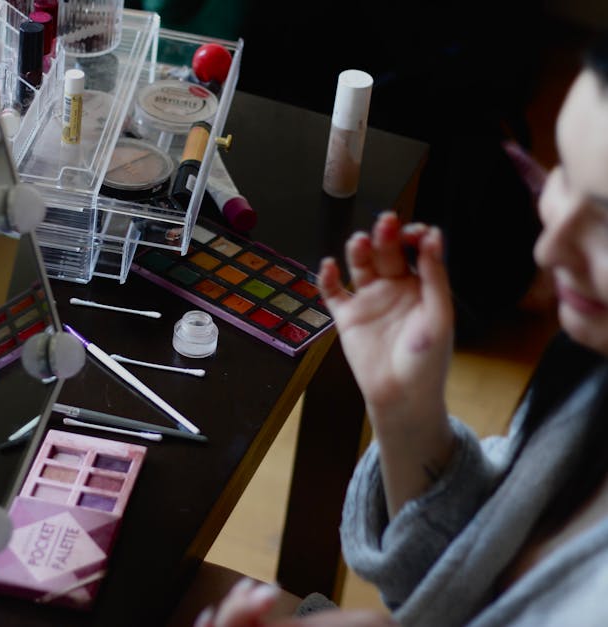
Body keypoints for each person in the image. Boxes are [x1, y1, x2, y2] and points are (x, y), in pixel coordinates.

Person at [196, 35, 608, 627]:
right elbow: (454, 580)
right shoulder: (589, 376)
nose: (548, 245)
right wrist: (407, 412)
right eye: (563, 172)